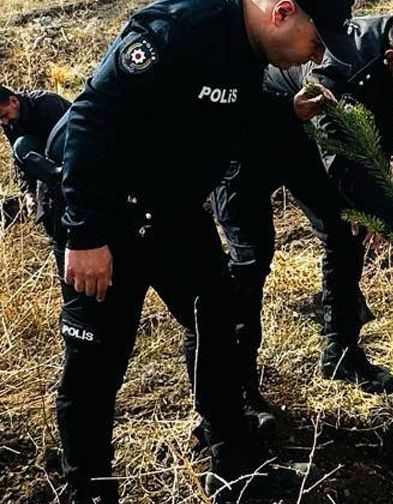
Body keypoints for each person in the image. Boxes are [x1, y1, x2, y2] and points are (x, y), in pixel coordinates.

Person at [53, 0, 358, 502]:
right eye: (317, 41)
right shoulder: (179, 29)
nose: (317, 55)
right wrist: (85, 235)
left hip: (173, 210)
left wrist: (286, 111)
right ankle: (88, 489)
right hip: (105, 212)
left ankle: (233, 468)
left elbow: (229, 108)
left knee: (218, 318)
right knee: (97, 357)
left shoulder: (249, 52)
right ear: (283, 12)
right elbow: (91, 117)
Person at [211, 10, 393, 411]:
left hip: (309, 137)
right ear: (392, 60)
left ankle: (341, 353)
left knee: (347, 232)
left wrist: (372, 210)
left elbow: (375, 146)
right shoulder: (341, 68)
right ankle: (238, 391)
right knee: (250, 258)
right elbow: (345, 163)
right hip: (253, 137)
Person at [0, 85, 69, 235]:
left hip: (70, 150)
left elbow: (74, 135)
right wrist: (28, 192)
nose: (4, 122)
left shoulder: (46, 103)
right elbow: (19, 159)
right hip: (47, 161)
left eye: (4, 115)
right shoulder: (9, 122)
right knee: (21, 145)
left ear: (14, 101)